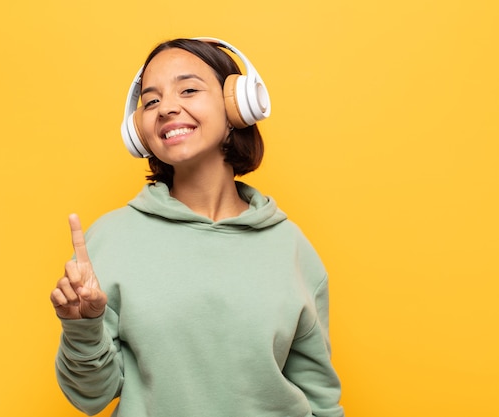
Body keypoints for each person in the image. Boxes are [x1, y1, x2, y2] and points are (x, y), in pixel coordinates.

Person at [50, 38, 344, 417]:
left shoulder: (291, 247)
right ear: (138, 130)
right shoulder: (110, 239)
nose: (167, 108)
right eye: (151, 101)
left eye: (188, 89)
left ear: (238, 107)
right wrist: (83, 327)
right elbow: (90, 396)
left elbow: (320, 398)